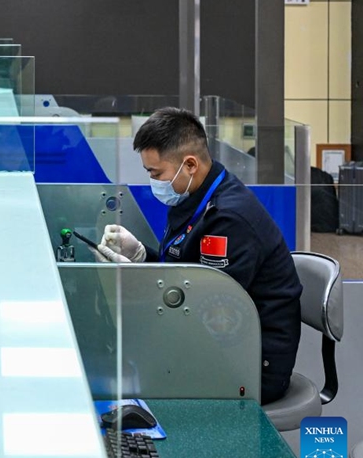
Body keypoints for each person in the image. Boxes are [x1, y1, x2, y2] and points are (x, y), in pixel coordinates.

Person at [94, 107, 302, 405]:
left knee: (130, 377)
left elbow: (205, 309)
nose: (154, 181)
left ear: (189, 164)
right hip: (220, 342)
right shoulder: (196, 198)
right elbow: (187, 278)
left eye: (156, 173)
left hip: (253, 364)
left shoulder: (228, 219)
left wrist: (136, 283)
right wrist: (141, 257)